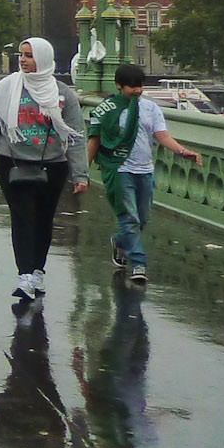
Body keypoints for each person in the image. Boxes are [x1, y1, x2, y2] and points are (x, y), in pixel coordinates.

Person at [0, 38, 88, 305]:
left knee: (43, 220)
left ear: (44, 59)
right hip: (12, 163)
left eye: (29, 56)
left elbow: (76, 135)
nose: (23, 60)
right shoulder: (6, 88)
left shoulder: (63, 94)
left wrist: (80, 173)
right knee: (23, 218)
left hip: (53, 166)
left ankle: (37, 270)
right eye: (21, 55)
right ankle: (24, 275)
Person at [88, 64, 201, 284]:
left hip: (144, 170)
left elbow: (162, 136)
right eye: (132, 87)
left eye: (140, 86)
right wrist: (83, 172)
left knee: (141, 218)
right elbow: (95, 139)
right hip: (119, 169)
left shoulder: (150, 108)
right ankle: (138, 264)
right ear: (119, 86)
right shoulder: (108, 109)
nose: (138, 91)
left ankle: (120, 242)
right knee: (129, 218)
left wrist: (182, 151)